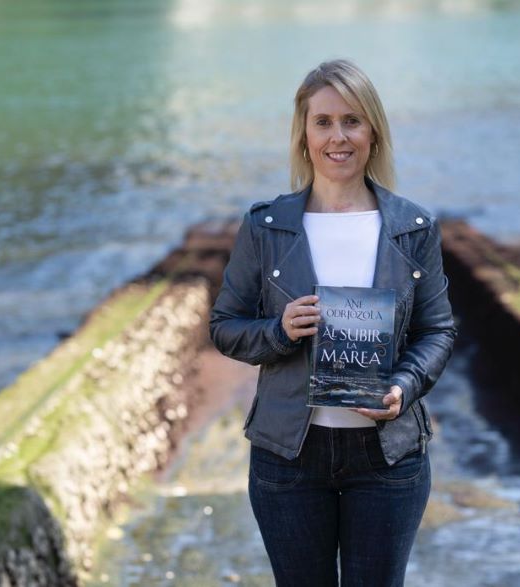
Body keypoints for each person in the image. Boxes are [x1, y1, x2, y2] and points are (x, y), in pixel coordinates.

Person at [209, 59, 457, 587]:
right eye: (322, 121)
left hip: (387, 458)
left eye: (352, 120)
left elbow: (438, 331)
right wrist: (279, 330)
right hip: (289, 458)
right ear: (303, 133)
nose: (337, 137)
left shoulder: (414, 228)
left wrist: (403, 387)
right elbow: (225, 326)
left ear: (373, 131)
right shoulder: (265, 226)